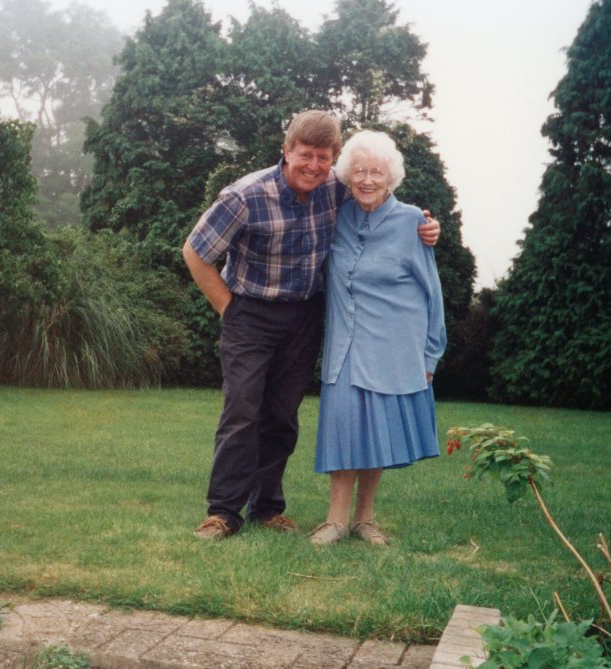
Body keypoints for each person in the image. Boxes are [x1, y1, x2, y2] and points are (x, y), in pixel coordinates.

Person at [183, 111, 440, 540]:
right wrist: (230, 310)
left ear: (332, 160)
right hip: (250, 312)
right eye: (305, 155)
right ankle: (223, 513)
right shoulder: (245, 195)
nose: (314, 166)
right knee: (242, 410)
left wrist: (428, 226)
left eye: (324, 157)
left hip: (303, 315)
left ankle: (267, 508)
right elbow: (195, 252)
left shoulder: (334, 190)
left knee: (282, 416)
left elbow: (376, 189)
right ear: (286, 152)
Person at [309, 129, 446, 547]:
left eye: (377, 173)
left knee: (375, 429)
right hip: (345, 343)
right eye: (360, 172)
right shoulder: (337, 215)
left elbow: (432, 292)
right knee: (343, 421)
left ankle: (365, 519)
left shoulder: (412, 223)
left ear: (391, 179)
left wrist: (430, 356)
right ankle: (335, 520)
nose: (368, 180)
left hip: (391, 346)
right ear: (349, 176)